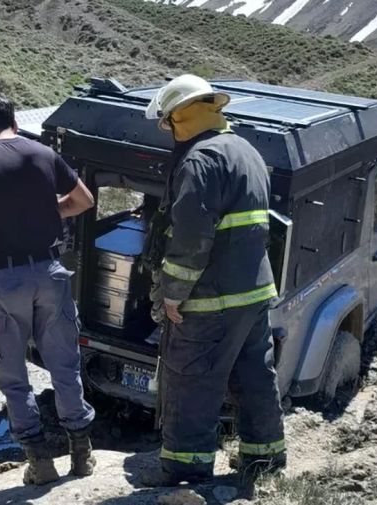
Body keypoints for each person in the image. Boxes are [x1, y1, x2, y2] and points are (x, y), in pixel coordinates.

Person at [141, 75, 286, 487]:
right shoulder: (246, 150)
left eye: (168, 122)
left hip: (210, 301)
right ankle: (265, 462)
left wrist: (171, 294)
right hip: (254, 293)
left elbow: (190, 239)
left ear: (181, 117)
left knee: (191, 383)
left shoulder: (200, 161)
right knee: (256, 377)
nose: (168, 131)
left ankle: (187, 475)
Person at [0, 91, 97, 485]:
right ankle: (81, 456)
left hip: (6, 277)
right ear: (14, 119)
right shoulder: (44, 154)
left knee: (14, 372)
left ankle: (40, 462)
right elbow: (83, 200)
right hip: (50, 271)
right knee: (64, 365)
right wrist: (52, 214)